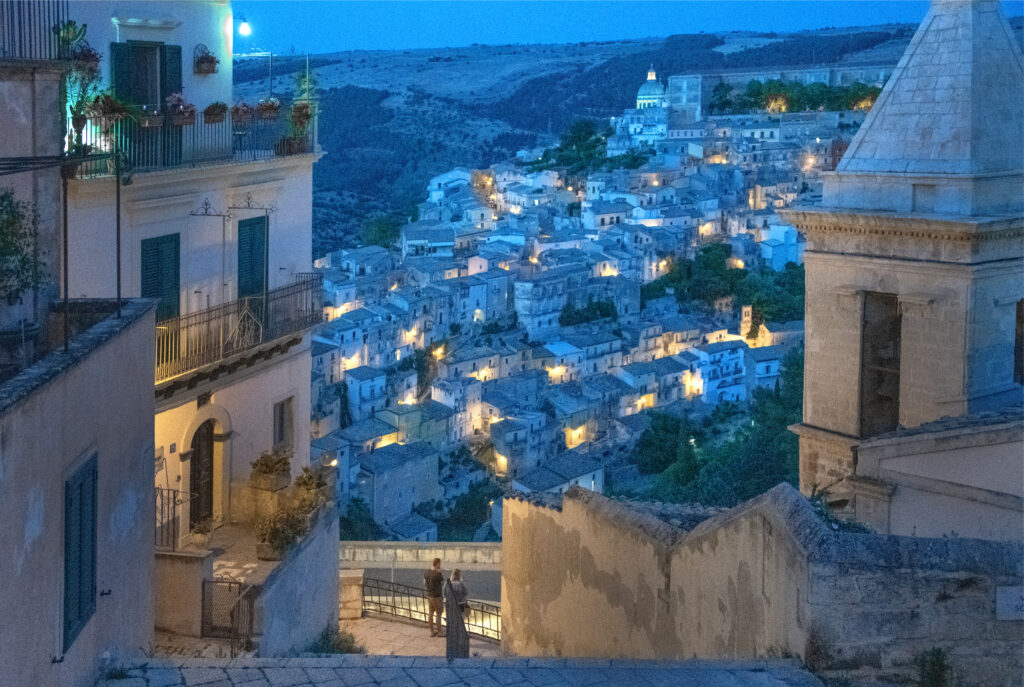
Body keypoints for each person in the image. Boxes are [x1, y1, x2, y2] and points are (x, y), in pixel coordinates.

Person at [423, 557, 444, 637]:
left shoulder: (427, 572)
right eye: (440, 563)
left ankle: (432, 631)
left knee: (431, 613)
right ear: (438, 564)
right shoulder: (438, 574)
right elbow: (442, 584)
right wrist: (440, 572)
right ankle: (440, 632)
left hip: (429, 595)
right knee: (439, 614)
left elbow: (424, 583)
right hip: (437, 596)